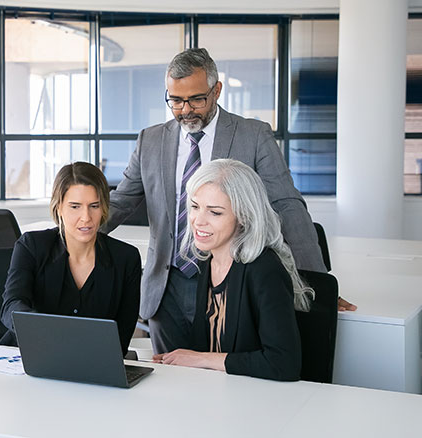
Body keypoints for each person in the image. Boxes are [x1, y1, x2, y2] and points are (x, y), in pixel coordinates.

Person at [101, 47, 355, 355]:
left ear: (217, 90)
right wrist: (76, 230)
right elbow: (122, 201)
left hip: (231, 282)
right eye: (175, 100)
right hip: (167, 287)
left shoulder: (253, 135)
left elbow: (287, 204)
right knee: (172, 380)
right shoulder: (150, 139)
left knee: (228, 378)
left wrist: (317, 282)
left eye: (196, 99)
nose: (185, 110)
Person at [154, 159, 306, 381]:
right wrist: (178, 360)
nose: (198, 221)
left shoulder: (264, 270)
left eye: (215, 212)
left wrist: (201, 359)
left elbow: (284, 363)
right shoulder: (208, 260)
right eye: (195, 207)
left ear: (243, 217)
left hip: (259, 400)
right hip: (220, 391)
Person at [0, 162, 141, 354]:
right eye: (75, 206)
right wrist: (42, 329)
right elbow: (11, 305)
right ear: (59, 207)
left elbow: (121, 337)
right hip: (28, 355)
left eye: (94, 206)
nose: (86, 217)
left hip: (92, 363)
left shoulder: (126, 259)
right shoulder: (31, 246)